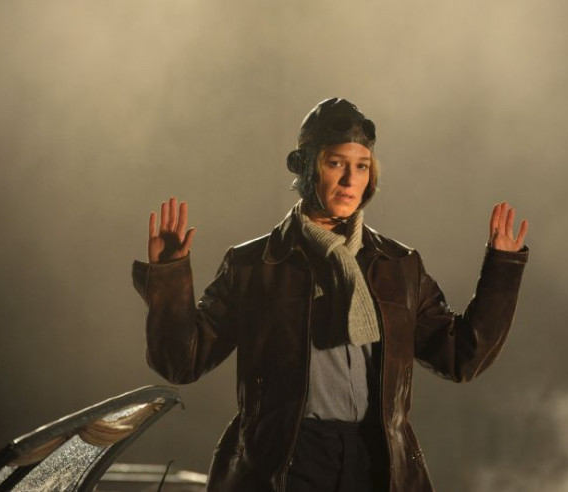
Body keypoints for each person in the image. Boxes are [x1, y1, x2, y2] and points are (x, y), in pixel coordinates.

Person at [132, 98, 529, 492]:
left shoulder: (398, 265)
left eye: (361, 166)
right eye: (336, 163)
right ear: (307, 167)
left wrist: (502, 269)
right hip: (288, 461)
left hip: (376, 460)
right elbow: (181, 362)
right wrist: (169, 275)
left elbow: (461, 357)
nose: (350, 180)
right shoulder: (254, 265)